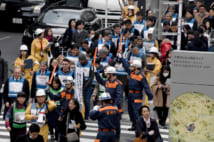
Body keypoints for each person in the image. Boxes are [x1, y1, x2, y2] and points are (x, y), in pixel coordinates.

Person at [120, 58, 153, 131]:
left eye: (133, 66)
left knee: (136, 111)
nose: (131, 67)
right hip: (130, 95)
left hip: (137, 96)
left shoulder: (141, 76)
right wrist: (122, 59)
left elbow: (146, 87)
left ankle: (140, 127)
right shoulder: (132, 74)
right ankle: (134, 124)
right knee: (130, 111)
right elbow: (126, 67)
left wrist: (150, 97)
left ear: (136, 67)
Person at [0, 49, 8, 115]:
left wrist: (4, 83)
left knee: (0, 98)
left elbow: (5, 73)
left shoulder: (3, 62)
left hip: (0, 83)